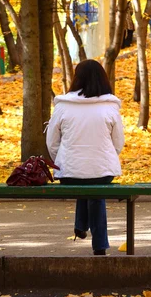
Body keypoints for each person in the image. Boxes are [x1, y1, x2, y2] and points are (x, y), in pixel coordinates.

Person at [45, 59, 125, 256]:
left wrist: (63, 160)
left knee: (83, 174)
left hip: (69, 173)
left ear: (76, 79)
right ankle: (100, 246)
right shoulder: (110, 107)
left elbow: (51, 142)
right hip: (102, 172)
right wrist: (103, 157)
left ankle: (81, 225)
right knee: (95, 186)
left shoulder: (63, 106)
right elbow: (118, 142)